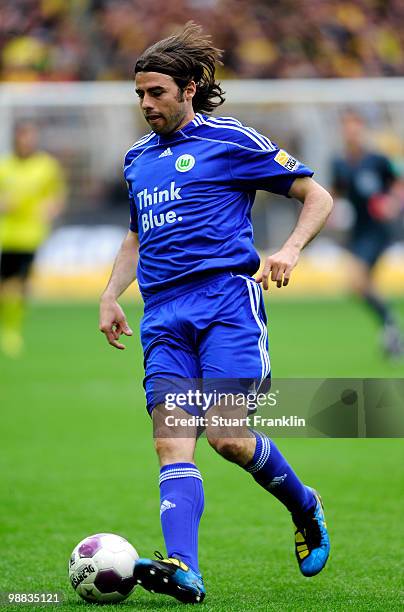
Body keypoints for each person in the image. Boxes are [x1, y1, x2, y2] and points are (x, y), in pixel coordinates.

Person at [99, 22, 333, 604]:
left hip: (227, 303)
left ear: (190, 88)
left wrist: (289, 249)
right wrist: (110, 294)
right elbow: (136, 235)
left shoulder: (231, 142)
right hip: (161, 315)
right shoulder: (136, 160)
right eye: (139, 95)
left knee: (228, 437)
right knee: (171, 441)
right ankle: (184, 566)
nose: (146, 105)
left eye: (156, 93)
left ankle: (306, 508)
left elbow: (316, 195)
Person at [331, 110, 404, 357]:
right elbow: (336, 192)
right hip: (357, 230)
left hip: (377, 229)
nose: (351, 132)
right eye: (347, 127)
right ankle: (390, 328)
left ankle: (389, 323)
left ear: (362, 130)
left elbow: (397, 183)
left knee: (357, 280)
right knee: (361, 286)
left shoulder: (378, 159)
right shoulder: (339, 162)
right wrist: (330, 211)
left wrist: (393, 202)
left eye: (355, 127)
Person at [0, 121, 66, 356]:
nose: (26, 141)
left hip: (30, 235)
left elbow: (57, 195)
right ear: (16, 138)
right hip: (6, 235)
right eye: (22, 137)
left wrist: (51, 208)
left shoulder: (46, 166)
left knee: (20, 285)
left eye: (30, 137)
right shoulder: (4, 166)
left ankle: (11, 330)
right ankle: (8, 327)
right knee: (7, 286)